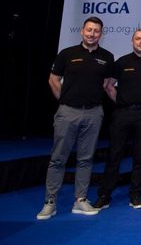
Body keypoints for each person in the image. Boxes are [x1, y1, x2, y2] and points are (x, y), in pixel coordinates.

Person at [37, 17, 115, 220]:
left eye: (96, 31)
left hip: (93, 113)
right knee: (58, 158)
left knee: (85, 159)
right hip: (67, 112)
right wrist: (65, 101)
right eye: (89, 30)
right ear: (82, 31)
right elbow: (53, 80)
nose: (92, 34)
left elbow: (106, 83)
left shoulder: (107, 57)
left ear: (101, 34)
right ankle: (50, 202)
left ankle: (80, 200)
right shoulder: (67, 54)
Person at [93, 29, 141, 211]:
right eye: (138, 39)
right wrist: (121, 102)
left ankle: (136, 194)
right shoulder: (122, 62)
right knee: (114, 155)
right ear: (132, 41)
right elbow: (109, 86)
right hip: (122, 114)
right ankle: (104, 195)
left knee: (140, 156)